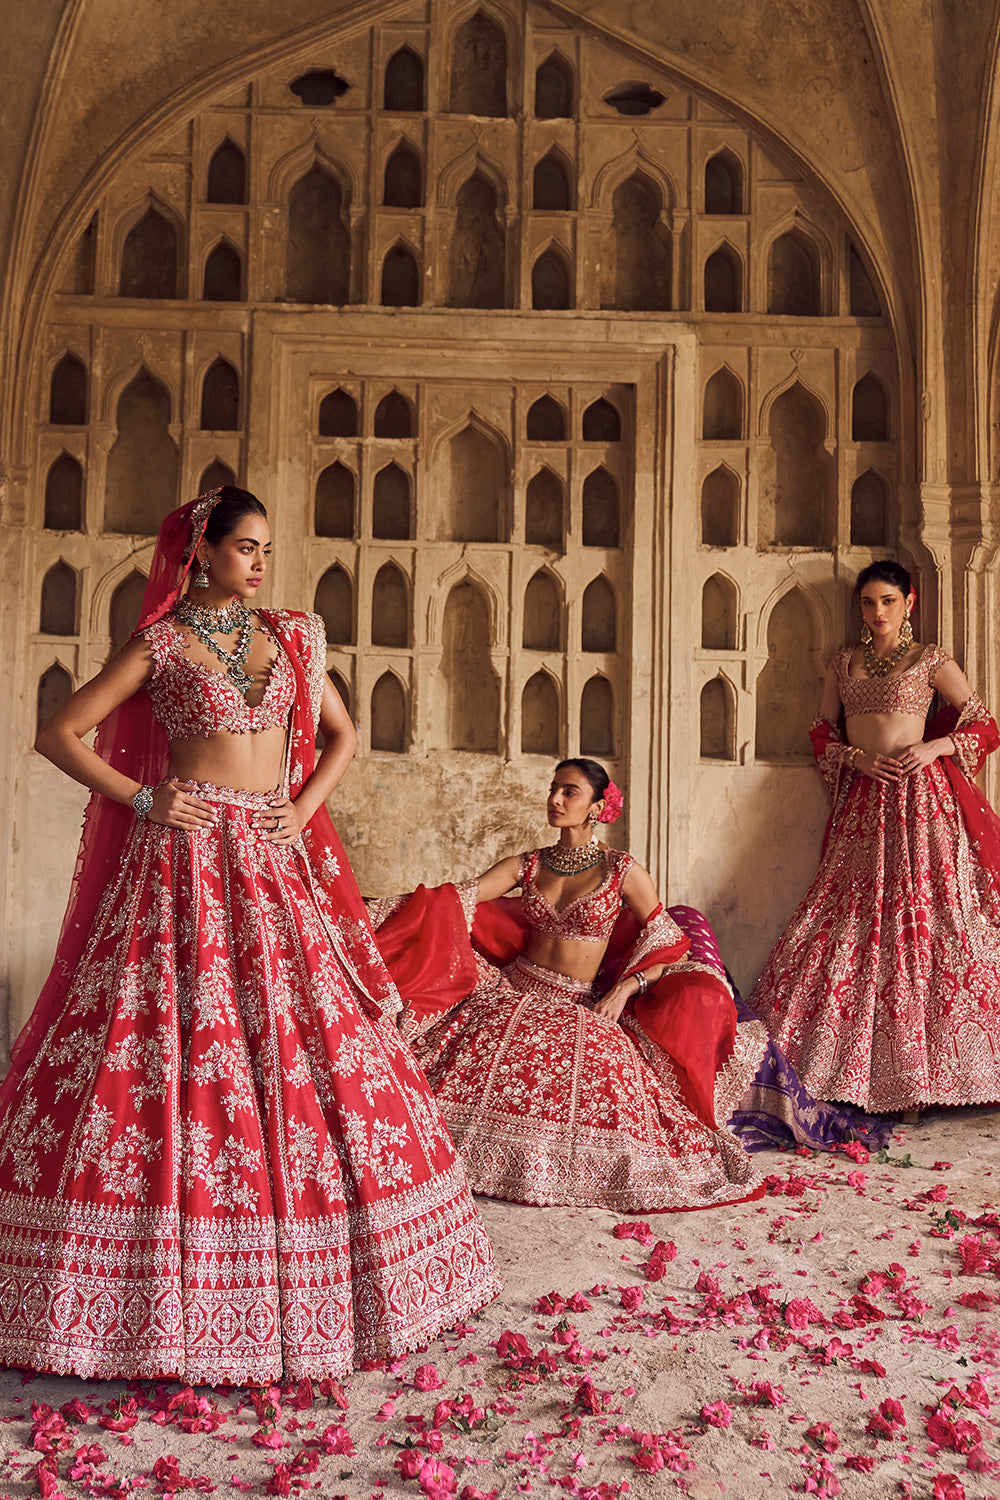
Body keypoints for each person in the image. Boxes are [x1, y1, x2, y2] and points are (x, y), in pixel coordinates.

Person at [0, 486, 499, 1385]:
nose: (260, 561)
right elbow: (59, 733)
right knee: (164, 1048)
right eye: (243, 547)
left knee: (306, 1040)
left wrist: (300, 808)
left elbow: (341, 736)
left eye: (266, 548)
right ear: (199, 550)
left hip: (269, 860)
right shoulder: (161, 643)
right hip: (183, 863)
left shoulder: (297, 634)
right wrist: (145, 798)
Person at [370, 758, 776, 1214]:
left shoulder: (622, 871)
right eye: (553, 789)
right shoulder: (529, 864)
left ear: (597, 807)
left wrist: (625, 989)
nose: (555, 800)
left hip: (577, 1005)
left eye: (570, 792)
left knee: (605, 1068)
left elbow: (672, 948)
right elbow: (458, 898)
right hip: (508, 993)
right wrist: (375, 910)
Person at [749, 559, 1000, 1115]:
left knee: (930, 917)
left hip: (923, 804)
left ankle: (935, 1076)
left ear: (908, 602)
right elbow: (821, 731)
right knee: (850, 915)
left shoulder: (931, 660)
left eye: (888, 600)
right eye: (868, 602)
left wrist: (935, 748)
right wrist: (855, 759)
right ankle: (848, 1068)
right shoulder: (843, 664)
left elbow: (984, 724)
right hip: (866, 803)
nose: (878, 611)